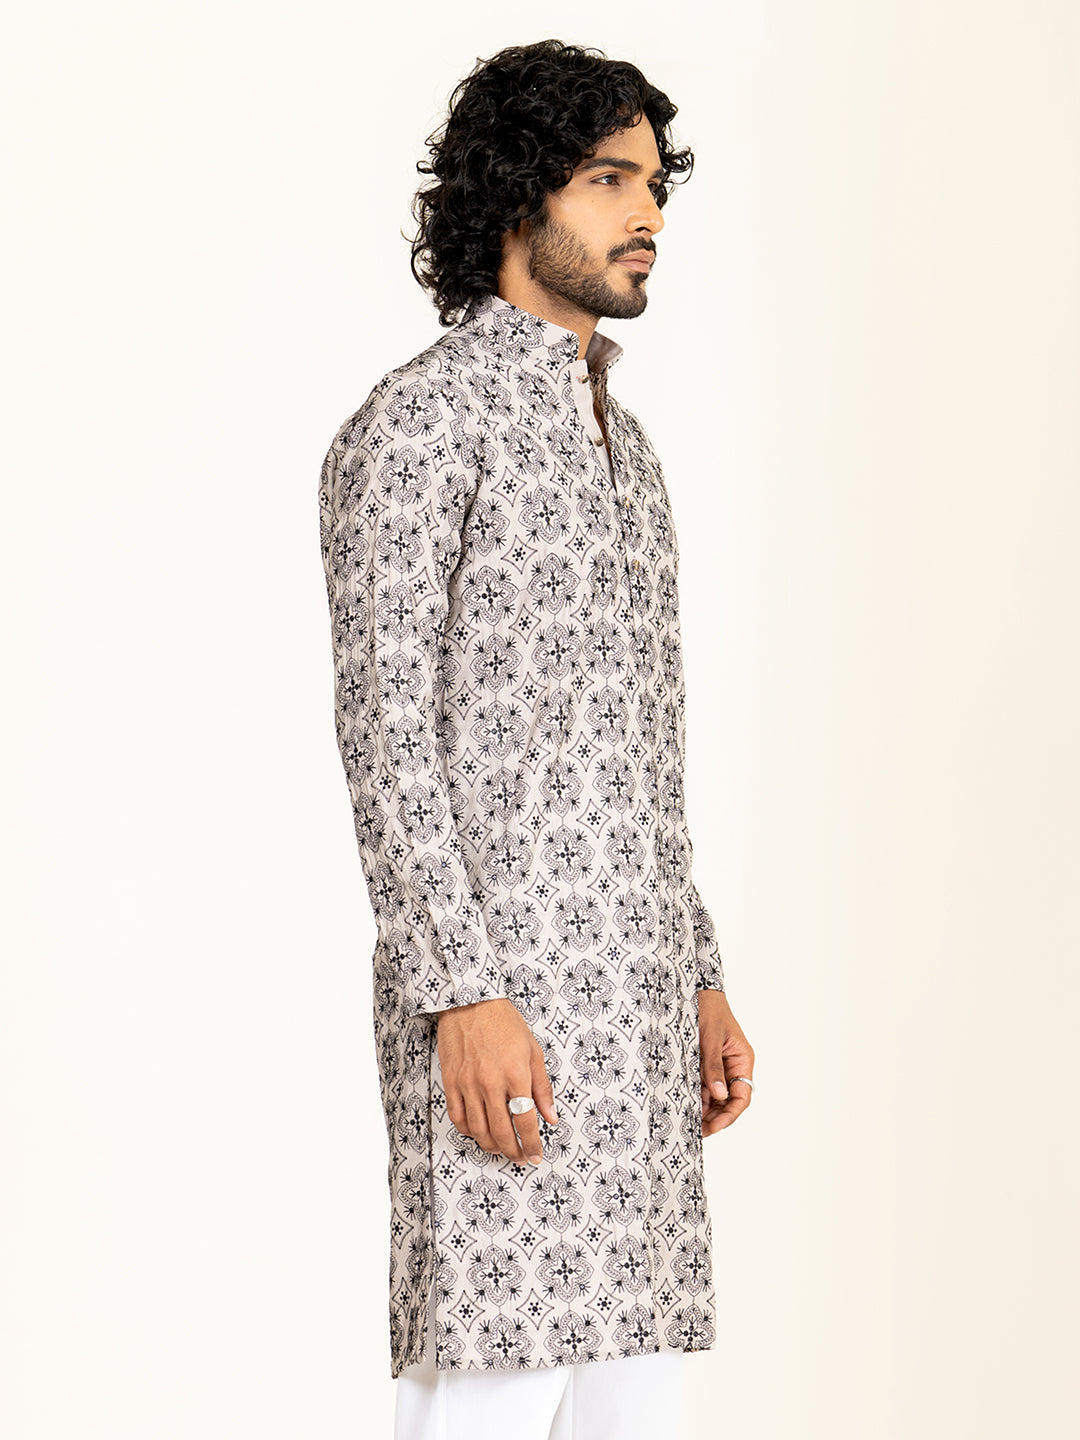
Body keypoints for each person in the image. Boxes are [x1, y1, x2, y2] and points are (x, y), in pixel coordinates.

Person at [318, 38, 756, 1440]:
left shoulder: (630, 453)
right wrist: (460, 993)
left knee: (639, 1406)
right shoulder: (418, 427)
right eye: (610, 180)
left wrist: (698, 973)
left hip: (639, 1017)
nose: (650, 214)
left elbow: (642, 754)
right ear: (518, 197)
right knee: (486, 1396)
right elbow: (386, 736)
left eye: (655, 184)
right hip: (503, 1014)